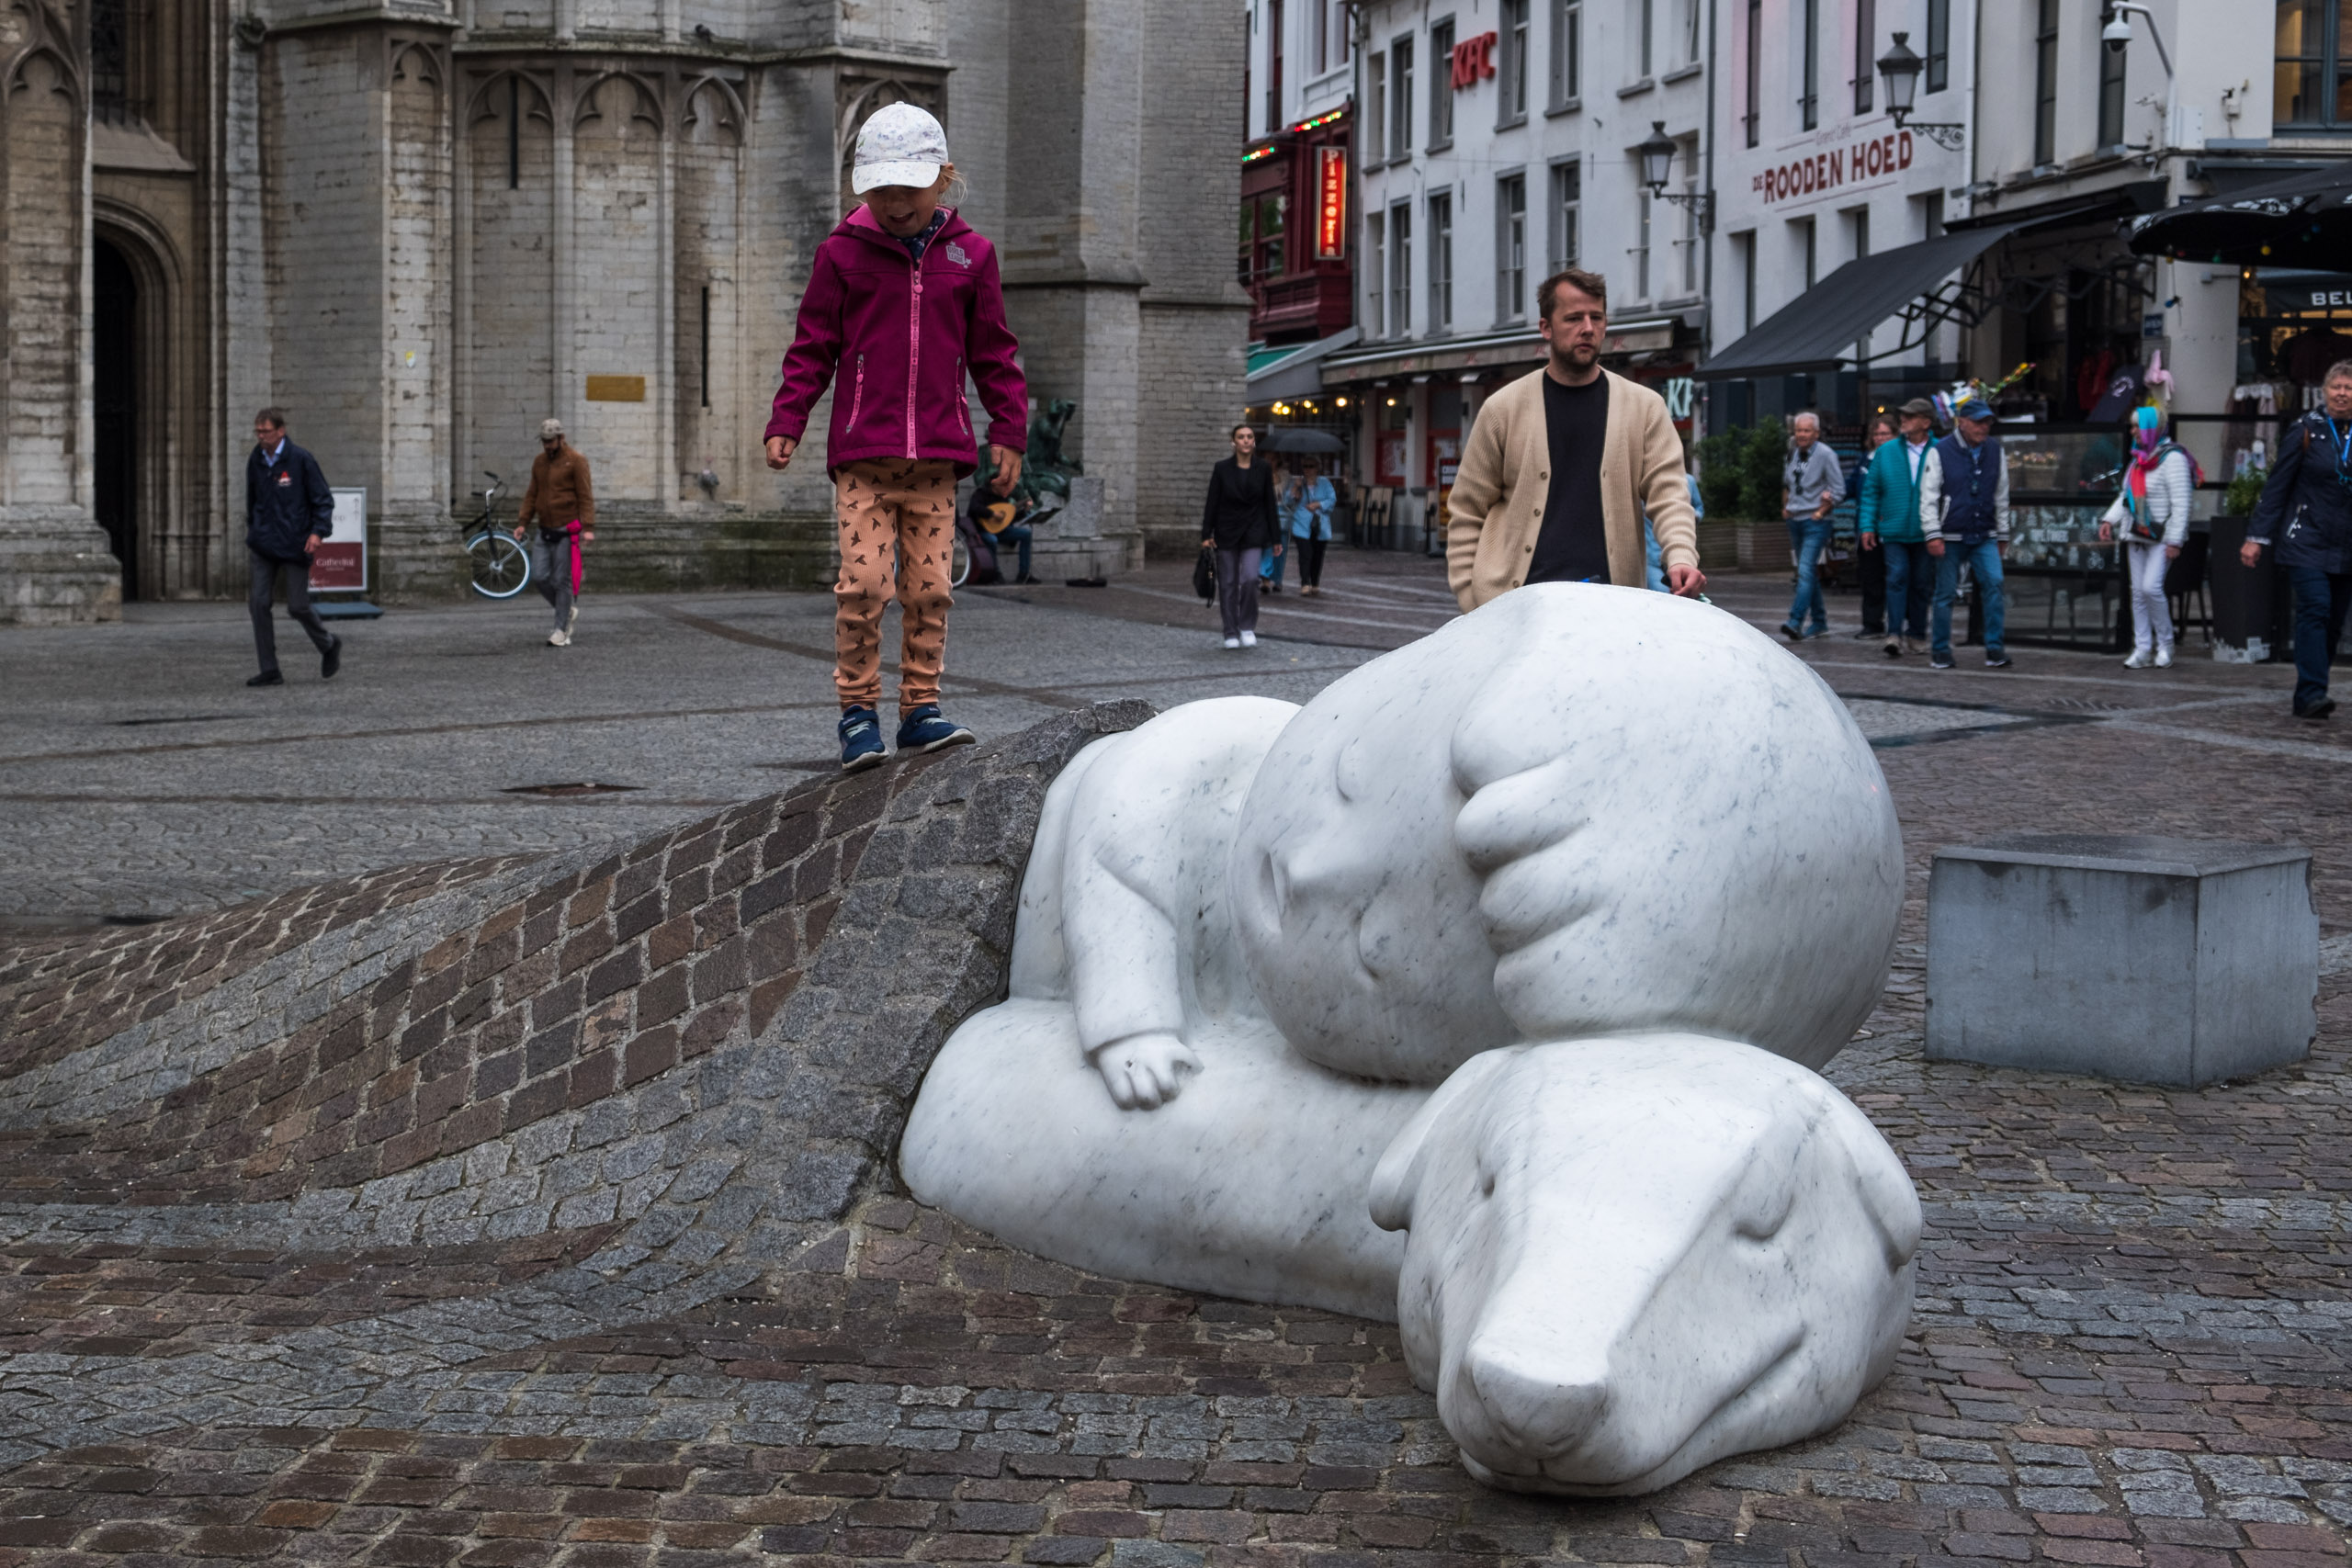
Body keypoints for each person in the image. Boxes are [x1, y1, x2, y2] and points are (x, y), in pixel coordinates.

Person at [763, 102, 1027, 772]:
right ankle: (858, 712)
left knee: (931, 589)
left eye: (909, 189)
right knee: (863, 584)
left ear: (943, 179)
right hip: (864, 460)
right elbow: (812, 348)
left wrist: (1009, 429)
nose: (895, 203)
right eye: (880, 190)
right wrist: (788, 419)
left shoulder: (972, 256)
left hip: (936, 461)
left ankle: (920, 709)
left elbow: (994, 352)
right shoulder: (841, 254)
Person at [1446, 267, 1702, 609]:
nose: (1588, 328)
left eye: (1596, 317)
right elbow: (1467, 511)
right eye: (1573, 318)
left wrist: (1681, 556)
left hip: (1611, 606)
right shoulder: (1503, 409)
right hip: (1518, 608)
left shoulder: (1644, 408)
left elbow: (1670, 495)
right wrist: (1470, 598)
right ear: (1546, 327)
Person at [2243, 358, 2352, 719]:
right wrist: (2257, 537)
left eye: (2349, 388)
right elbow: (2277, 487)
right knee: (2315, 607)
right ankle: (2311, 693)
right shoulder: (2306, 430)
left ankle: (2310, 691)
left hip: (2346, 544)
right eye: (2336, 387)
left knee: (2333, 622)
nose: (2342, 393)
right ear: (2325, 391)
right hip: (2305, 539)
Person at [243, 407, 341, 688]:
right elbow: (252, 498)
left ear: (281, 431)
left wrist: (317, 532)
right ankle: (270, 669)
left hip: (295, 542)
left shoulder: (300, 459)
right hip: (264, 543)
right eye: (258, 432)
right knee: (258, 603)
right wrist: (255, 528)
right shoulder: (256, 460)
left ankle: (328, 644)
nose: (261, 437)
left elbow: (323, 499)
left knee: (297, 606)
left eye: (266, 431)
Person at [2098, 403, 2195, 670]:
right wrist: (2109, 520)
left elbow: (2182, 503)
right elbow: (2126, 496)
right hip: (2136, 534)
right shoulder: (2138, 460)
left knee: (2151, 588)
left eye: (2137, 426)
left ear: (2152, 429)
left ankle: (2165, 645)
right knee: (2138, 593)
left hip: (2161, 537)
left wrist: (2175, 540)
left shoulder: (2173, 459)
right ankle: (2142, 648)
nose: (2132, 431)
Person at [1919, 396, 2011, 670]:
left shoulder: (1995, 450)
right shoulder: (1941, 451)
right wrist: (1932, 533)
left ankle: (1995, 648)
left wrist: (2003, 533)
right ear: (1962, 422)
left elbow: (2001, 494)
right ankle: (1940, 650)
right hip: (1950, 533)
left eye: (1987, 423)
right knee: (1946, 593)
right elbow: (1928, 497)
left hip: (1984, 532)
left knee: (1994, 584)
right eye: (1978, 422)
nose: (1984, 428)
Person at [1859, 399, 1936, 658]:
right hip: (1893, 528)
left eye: (1910, 416)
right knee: (1897, 577)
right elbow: (1871, 491)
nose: (1903, 419)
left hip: (1926, 530)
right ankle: (1893, 634)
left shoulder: (1939, 450)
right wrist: (1867, 526)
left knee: (1922, 583)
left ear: (1926, 422)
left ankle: (1917, 634)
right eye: (1903, 415)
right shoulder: (1887, 451)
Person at [512, 419, 594, 648]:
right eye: (544, 441)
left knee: (561, 580)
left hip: (567, 529)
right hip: (544, 528)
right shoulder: (539, 462)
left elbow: (585, 496)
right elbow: (532, 494)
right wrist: (523, 522)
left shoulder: (576, 460)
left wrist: (588, 527)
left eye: (550, 441)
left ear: (561, 438)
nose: (547, 445)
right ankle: (566, 610)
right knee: (538, 576)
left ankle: (560, 630)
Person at [1203, 422, 1279, 647]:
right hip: (1226, 530)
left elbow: (1269, 503)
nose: (1246, 440)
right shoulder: (1222, 468)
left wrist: (1276, 537)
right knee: (1228, 583)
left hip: (1253, 530)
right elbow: (1212, 502)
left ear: (1254, 442)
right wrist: (1206, 533)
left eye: (1249, 436)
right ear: (1233, 442)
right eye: (1241, 437)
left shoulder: (1263, 468)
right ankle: (1230, 631)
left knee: (1250, 579)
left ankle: (1246, 626)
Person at [1779, 412, 1845, 641]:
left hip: (1815, 522)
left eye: (1807, 430)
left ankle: (1795, 621)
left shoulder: (1826, 455)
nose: (1802, 435)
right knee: (1808, 572)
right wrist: (1786, 507)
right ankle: (1819, 622)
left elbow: (1839, 490)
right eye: (1799, 430)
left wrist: (1821, 511)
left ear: (1816, 433)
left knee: (1805, 571)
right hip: (1795, 520)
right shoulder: (1792, 452)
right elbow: (1787, 484)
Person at [1849, 415, 1896, 638]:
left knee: (1897, 577)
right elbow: (1852, 486)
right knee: (1870, 577)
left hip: (1893, 526)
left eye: (1885, 434)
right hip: (1868, 527)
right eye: (1876, 434)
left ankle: (1899, 624)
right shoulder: (1865, 459)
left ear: (1895, 435)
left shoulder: (1899, 459)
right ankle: (1872, 623)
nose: (1880, 438)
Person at [1290, 458, 1337, 596]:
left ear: (1317, 468)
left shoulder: (1324, 483)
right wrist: (1295, 489)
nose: (1308, 469)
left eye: (1311, 466)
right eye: (1305, 466)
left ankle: (1315, 582)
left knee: (1317, 554)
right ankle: (1305, 583)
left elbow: (1332, 499)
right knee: (1305, 553)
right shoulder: (1299, 482)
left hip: (1320, 524)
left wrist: (1318, 505)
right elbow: (1288, 501)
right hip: (1301, 523)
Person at [973, 493, 1036, 584]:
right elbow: (974, 508)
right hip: (983, 530)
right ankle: (995, 574)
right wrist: (992, 514)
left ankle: (1024, 575)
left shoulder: (1004, 498)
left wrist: (1024, 511)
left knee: (1026, 534)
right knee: (992, 540)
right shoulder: (981, 494)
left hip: (1001, 530)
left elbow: (1009, 519)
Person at [1261, 466, 1296, 593]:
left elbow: (1290, 501)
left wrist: (1292, 491)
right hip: (1266, 520)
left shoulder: (1287, 481)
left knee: (1281, 552)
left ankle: (1277, 580)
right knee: (1266, 549)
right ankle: (1265, 579)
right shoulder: (1261, 478)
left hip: (1283, 521)